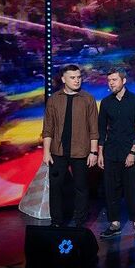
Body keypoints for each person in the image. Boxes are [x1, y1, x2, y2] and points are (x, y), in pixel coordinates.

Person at [42, 64, 99, 227]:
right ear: (63, 79)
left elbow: (94, 128)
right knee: (56, 187)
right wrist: (46, 152)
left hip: (81, 151)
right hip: (57, 151)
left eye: (79, 77)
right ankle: (57, 221)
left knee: (81, 187)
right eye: (72, 78)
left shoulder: (88, 99)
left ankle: (80, 221)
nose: (77, 80)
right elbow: (48, 128)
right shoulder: (54, 99)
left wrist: (93, 152)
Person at [97, 68, 135, 239]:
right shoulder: (106, 102)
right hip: (111, 152)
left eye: (114, 80)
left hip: (130, 151)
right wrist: (100, 153)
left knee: (133, 188)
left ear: (123, 81)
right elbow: (101, 130)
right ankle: (114, 223)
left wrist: (132, 152)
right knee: (111, 189)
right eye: (109, 80)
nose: (111, 83)